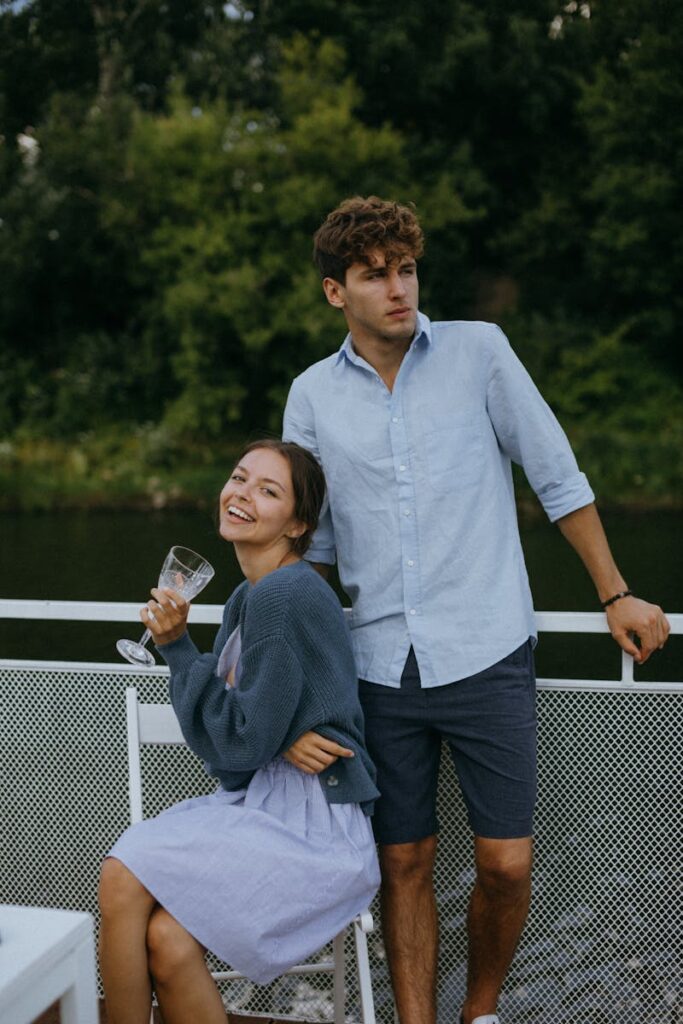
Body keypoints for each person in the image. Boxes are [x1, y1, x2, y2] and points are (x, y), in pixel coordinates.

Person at [282, 196, 671, 1024]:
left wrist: (614, 591)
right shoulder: (310, 396)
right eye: (373, 274)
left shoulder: (479, 352)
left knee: (503, 864)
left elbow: (555, 476)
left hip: (487, 649)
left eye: (406, 269)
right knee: (405, 862)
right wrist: (300, 682)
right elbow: (307, 554)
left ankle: (479, 1011)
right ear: (333, 293)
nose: (397, 288)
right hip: (376, 668)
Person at [98, 439, 380, 1024]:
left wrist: (176, 647)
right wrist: (277, 738)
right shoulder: (246, 597)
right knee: (169, 942)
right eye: (239, 478)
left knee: (123, 872)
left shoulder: (284, 594)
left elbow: (240, 743)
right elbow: (234, 760)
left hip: (313, 830)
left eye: (268, 491)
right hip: (265, 804)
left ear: (298, 523)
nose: (243, 494)